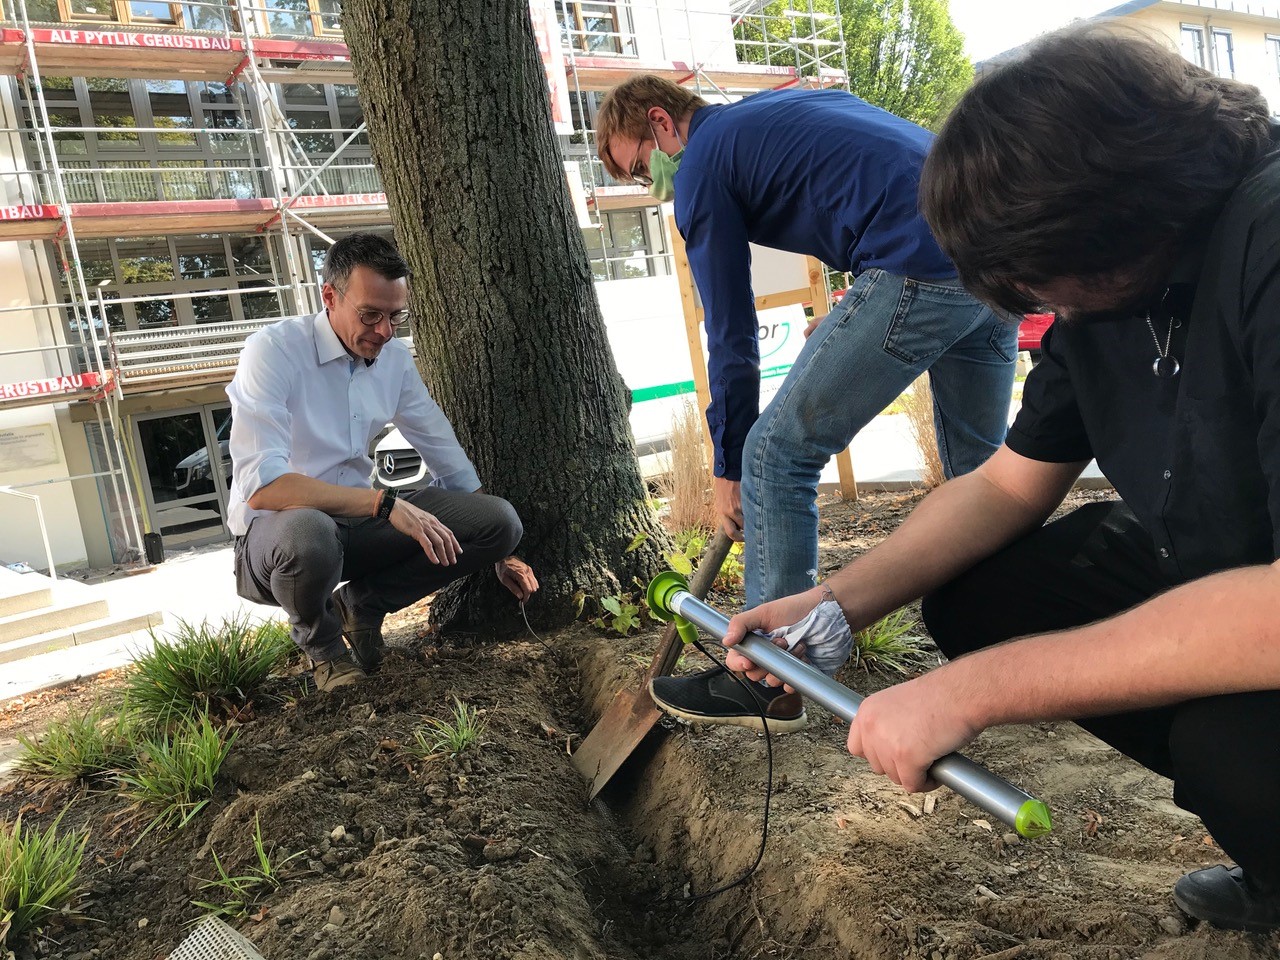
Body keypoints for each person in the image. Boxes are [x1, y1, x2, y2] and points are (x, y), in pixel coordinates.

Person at [719, 24, 1280, 933]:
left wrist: (969, 693)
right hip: (1232, 577)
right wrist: (834, 604)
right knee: (983, 593)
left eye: (1041, 279)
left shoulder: (1268, 239)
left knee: (1236, 755)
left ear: (1115, 213)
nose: (1040, 304)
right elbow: (1007, 487)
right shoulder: (1116, 291)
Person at [594, 76, 1016, 731]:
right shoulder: (777, 112)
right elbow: (875, 172)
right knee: (985, 481)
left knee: (774, 451)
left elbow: (731, 333)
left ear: (662, 121)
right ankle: (1012, 643)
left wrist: (729, 462)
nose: (658, 187)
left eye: (645, 166)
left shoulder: (704, 162)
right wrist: (859, 305)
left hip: (920, 260)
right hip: (995, 251)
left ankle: (768, 677)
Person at [226, 233, 538, 691]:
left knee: (499, 522)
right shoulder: (272, 352)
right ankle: (325, 650)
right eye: (370, 314)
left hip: (355, 531)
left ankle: (363, 605)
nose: (385, 331)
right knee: (310, 531)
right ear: (329, 296)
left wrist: (501, 554)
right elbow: (265, 485)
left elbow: (442, 450)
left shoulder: (392, 359)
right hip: (276, 542)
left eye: (396, 316)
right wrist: (385, 504)